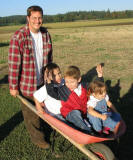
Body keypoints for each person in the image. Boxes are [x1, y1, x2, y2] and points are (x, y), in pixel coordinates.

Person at [8, 5, 52, 149]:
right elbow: (14, 64)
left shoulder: (45, 34)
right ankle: (38, 140)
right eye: (34, 18)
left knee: (45, 109)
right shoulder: (19, 36)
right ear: (28, 18)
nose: (37, 21)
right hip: (27, 85)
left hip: (43, 81)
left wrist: (50, 76)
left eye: (39, 18)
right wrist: (13, 87)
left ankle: (46, 129)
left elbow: (49, 58)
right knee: (31, 115)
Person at [34, 63, 104, 133]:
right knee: (67, 125)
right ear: (48, 77)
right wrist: (38, 106)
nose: (58, 77)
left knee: (81, 116)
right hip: (56, 113)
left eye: (59, 73)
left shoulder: (64, 82)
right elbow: (37, 95)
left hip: (72, 109)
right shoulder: (46, 88)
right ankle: (86, 131)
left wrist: (100, 76)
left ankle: (95, 126)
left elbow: (93, 87)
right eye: (54, 75)